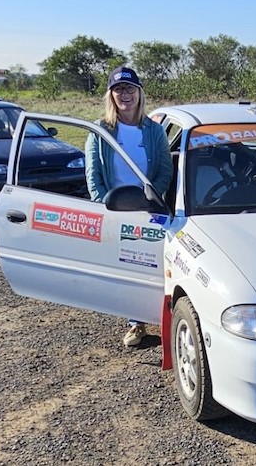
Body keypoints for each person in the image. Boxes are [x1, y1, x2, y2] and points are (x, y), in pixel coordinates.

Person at [85, 65, 172, 347]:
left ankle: (161, 317)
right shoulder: (100, 130)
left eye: (130, 89)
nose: (125, 94)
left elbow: (165, 170)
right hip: (115, 209)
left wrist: (151, 197)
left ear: (139, 93)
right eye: (119, 89)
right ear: (111, 95)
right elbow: (93, 175)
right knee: (127, 266)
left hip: (149, 207)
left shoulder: (154, 130)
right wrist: (104, 207)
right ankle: (136, 324)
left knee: (151, 263)